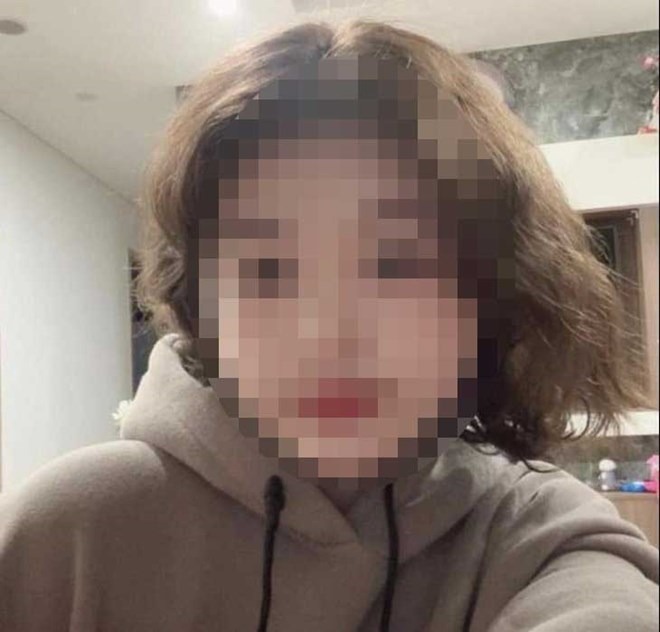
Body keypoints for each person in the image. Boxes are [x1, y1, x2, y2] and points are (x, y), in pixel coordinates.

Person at [1, 20, 658, 632]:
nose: (328, 335)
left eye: (395, 264)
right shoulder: (73, 531)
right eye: (268, 271)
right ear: (203, 306)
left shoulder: (535, 537)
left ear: (486, 297)